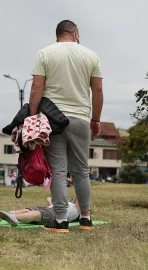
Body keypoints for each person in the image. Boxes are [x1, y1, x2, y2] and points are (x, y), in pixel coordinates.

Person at [28, 20, 103, 233]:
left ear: (57, 35)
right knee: (81, 171)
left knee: (59, 172)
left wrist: (32, 118)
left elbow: (36, 87)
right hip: (81, 119)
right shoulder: (91, 55)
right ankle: (86, 218)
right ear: (76, 34)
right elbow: (97, 90)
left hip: (53, 119)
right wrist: (95, 120)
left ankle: (61, 221)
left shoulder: (44, 53)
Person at [0, 197, 80, 231]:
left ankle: (14, 217)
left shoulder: (76, 210)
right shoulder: (69, 204)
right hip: (49, 208)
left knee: (34, 214)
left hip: (55, 213)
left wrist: (76, 180)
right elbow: (49, 199)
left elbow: (80, 194)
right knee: (26, 210)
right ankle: (1, 215)